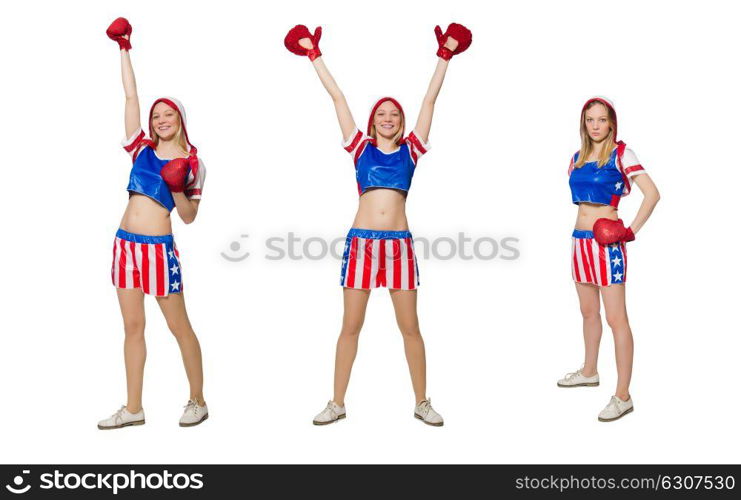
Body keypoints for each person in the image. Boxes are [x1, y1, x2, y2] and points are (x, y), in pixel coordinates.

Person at [284, 23, 472, 426]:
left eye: (394, 114)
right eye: (381, 114)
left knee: (410, 327)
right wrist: (314, 55)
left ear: (401, 123)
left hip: (399, 245)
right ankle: (336, 402)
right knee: (350, 326)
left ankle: (422, 401)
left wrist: (444, 57)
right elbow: (337, 96)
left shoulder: (412, 151)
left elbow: (429, 100)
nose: (388, 118)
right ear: (372, 123)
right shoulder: (359, 149)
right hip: (361, 244)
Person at [98, 18, 209, 429]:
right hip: (125, 245)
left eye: (168, 114)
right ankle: (133, 409)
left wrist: (178, 185)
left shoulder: (195, 162)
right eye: (156, 115)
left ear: (180, 119)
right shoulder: (140, 149)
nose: (161, 119)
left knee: (179, 326)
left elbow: (189, 217)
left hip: (160, 251)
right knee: (132, 327)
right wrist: (124, 49)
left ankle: (197, 399)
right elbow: (130, 96)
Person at [558, 96, 660, 422]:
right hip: (579, 242)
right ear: (583, 123)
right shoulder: (576, 157)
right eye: (590, 120)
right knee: (588, 313)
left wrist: (630, 231)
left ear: (611, 123)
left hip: (608, 245)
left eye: (602, 120)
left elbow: (653, 193)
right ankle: (589, 371)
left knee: (617, 319)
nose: (596, 126)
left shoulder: (621, 154)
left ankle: (623, 395)